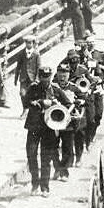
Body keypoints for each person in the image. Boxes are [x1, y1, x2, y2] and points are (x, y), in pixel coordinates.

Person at [22, 64, 69, 196]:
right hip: (34, 126)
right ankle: (34, 183)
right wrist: (39, 102)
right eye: (42, 77)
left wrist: (57, 106)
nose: (45, 80)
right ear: (39, 76)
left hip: (49, 128)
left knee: (46, 158)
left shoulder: (55, 89)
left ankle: (45, 187)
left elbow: (68, 104)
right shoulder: (33, 88)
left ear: (50, 77)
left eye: (47, 77)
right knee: (31, 155)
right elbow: (25, 102)